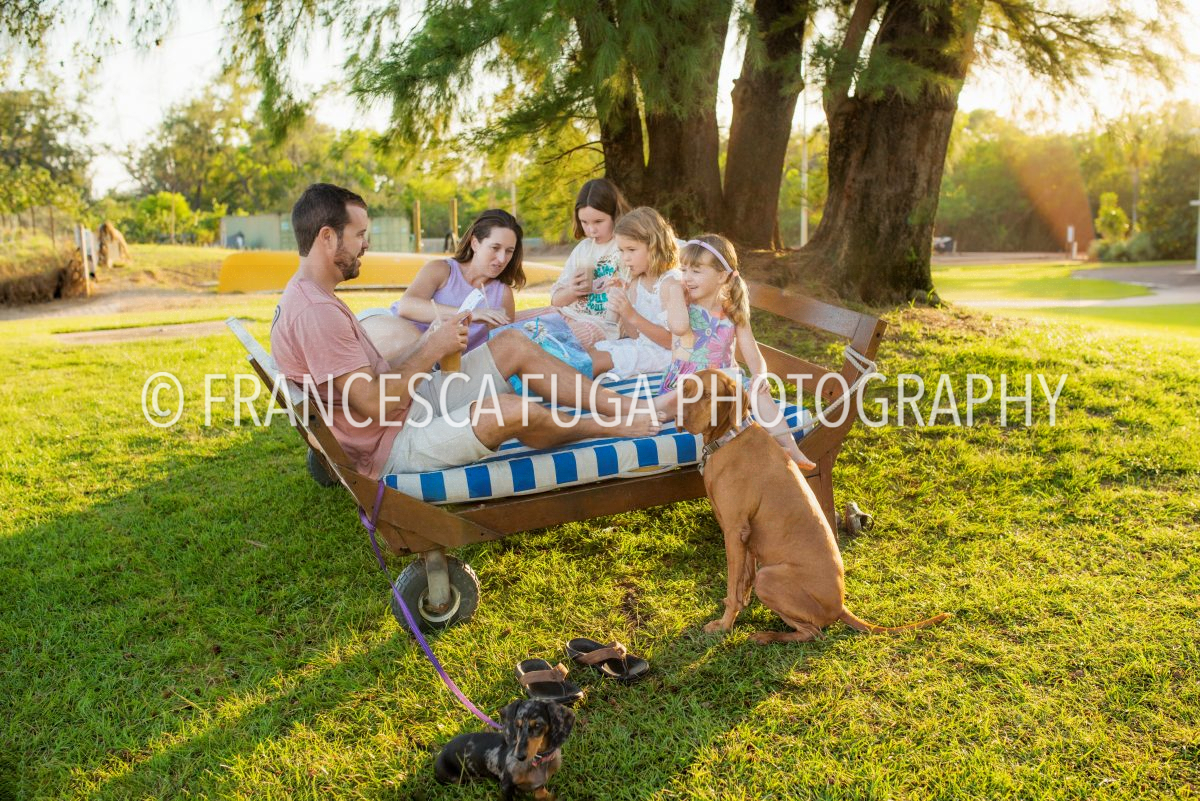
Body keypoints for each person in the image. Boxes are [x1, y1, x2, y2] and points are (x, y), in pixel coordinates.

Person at [270, 183, 660, 479]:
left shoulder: (312, 296)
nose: (366, 244)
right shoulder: (316, 312)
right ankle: (609, 424)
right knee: (509, 409)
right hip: (391, 441)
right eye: (359, 235)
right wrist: (431, 349)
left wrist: (428, 342)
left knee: (512, 343)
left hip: (407, 405)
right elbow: (372, 403)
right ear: (327, 237)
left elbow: (373, 379)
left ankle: (625, 405)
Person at [654, 234, 815, 469]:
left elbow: (753, 355)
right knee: (665, 405)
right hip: (688, 384)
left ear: (722, 276)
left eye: (696, 271)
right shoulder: (683, 304)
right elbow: (678, 327)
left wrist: (760, 375)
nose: (687, 277)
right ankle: (619, 416)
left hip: (725, 386)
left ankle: (792, 449)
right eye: (684, 270)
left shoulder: (732, 312)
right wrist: (676, 291)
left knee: (759, 394)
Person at [392, 210, 522, 352]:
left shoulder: (502, 295)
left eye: (509, 251)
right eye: (495, 248)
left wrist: (495, 332)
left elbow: (502, 348)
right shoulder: (442, 270)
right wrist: (469, 314)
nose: (502, 259)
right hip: (395, 337)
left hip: (444, 360)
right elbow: (406, 306)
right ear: (475, 243)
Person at [588, 207, 685, 379]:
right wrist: (623, 304)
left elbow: (673, 342)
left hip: (666, 354)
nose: (625, 258)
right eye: (621, 250)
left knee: (597, 361)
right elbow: (634, 335)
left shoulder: (670, 284)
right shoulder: (636, 282)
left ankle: (570, 390)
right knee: (591, 352)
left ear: (654, 247)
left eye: (631, 250)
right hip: (644, 347)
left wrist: (632, 314)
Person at [549, 178, 631, 347]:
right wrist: (572, 291)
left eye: (598, 222)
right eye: (584, 222)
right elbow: (556, 301)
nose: (591, 230)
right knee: (519, 326)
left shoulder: (626, 247)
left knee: (554, 340)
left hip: (601, 324)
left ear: (615, 215)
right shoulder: (583, 248)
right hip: (569, 314)